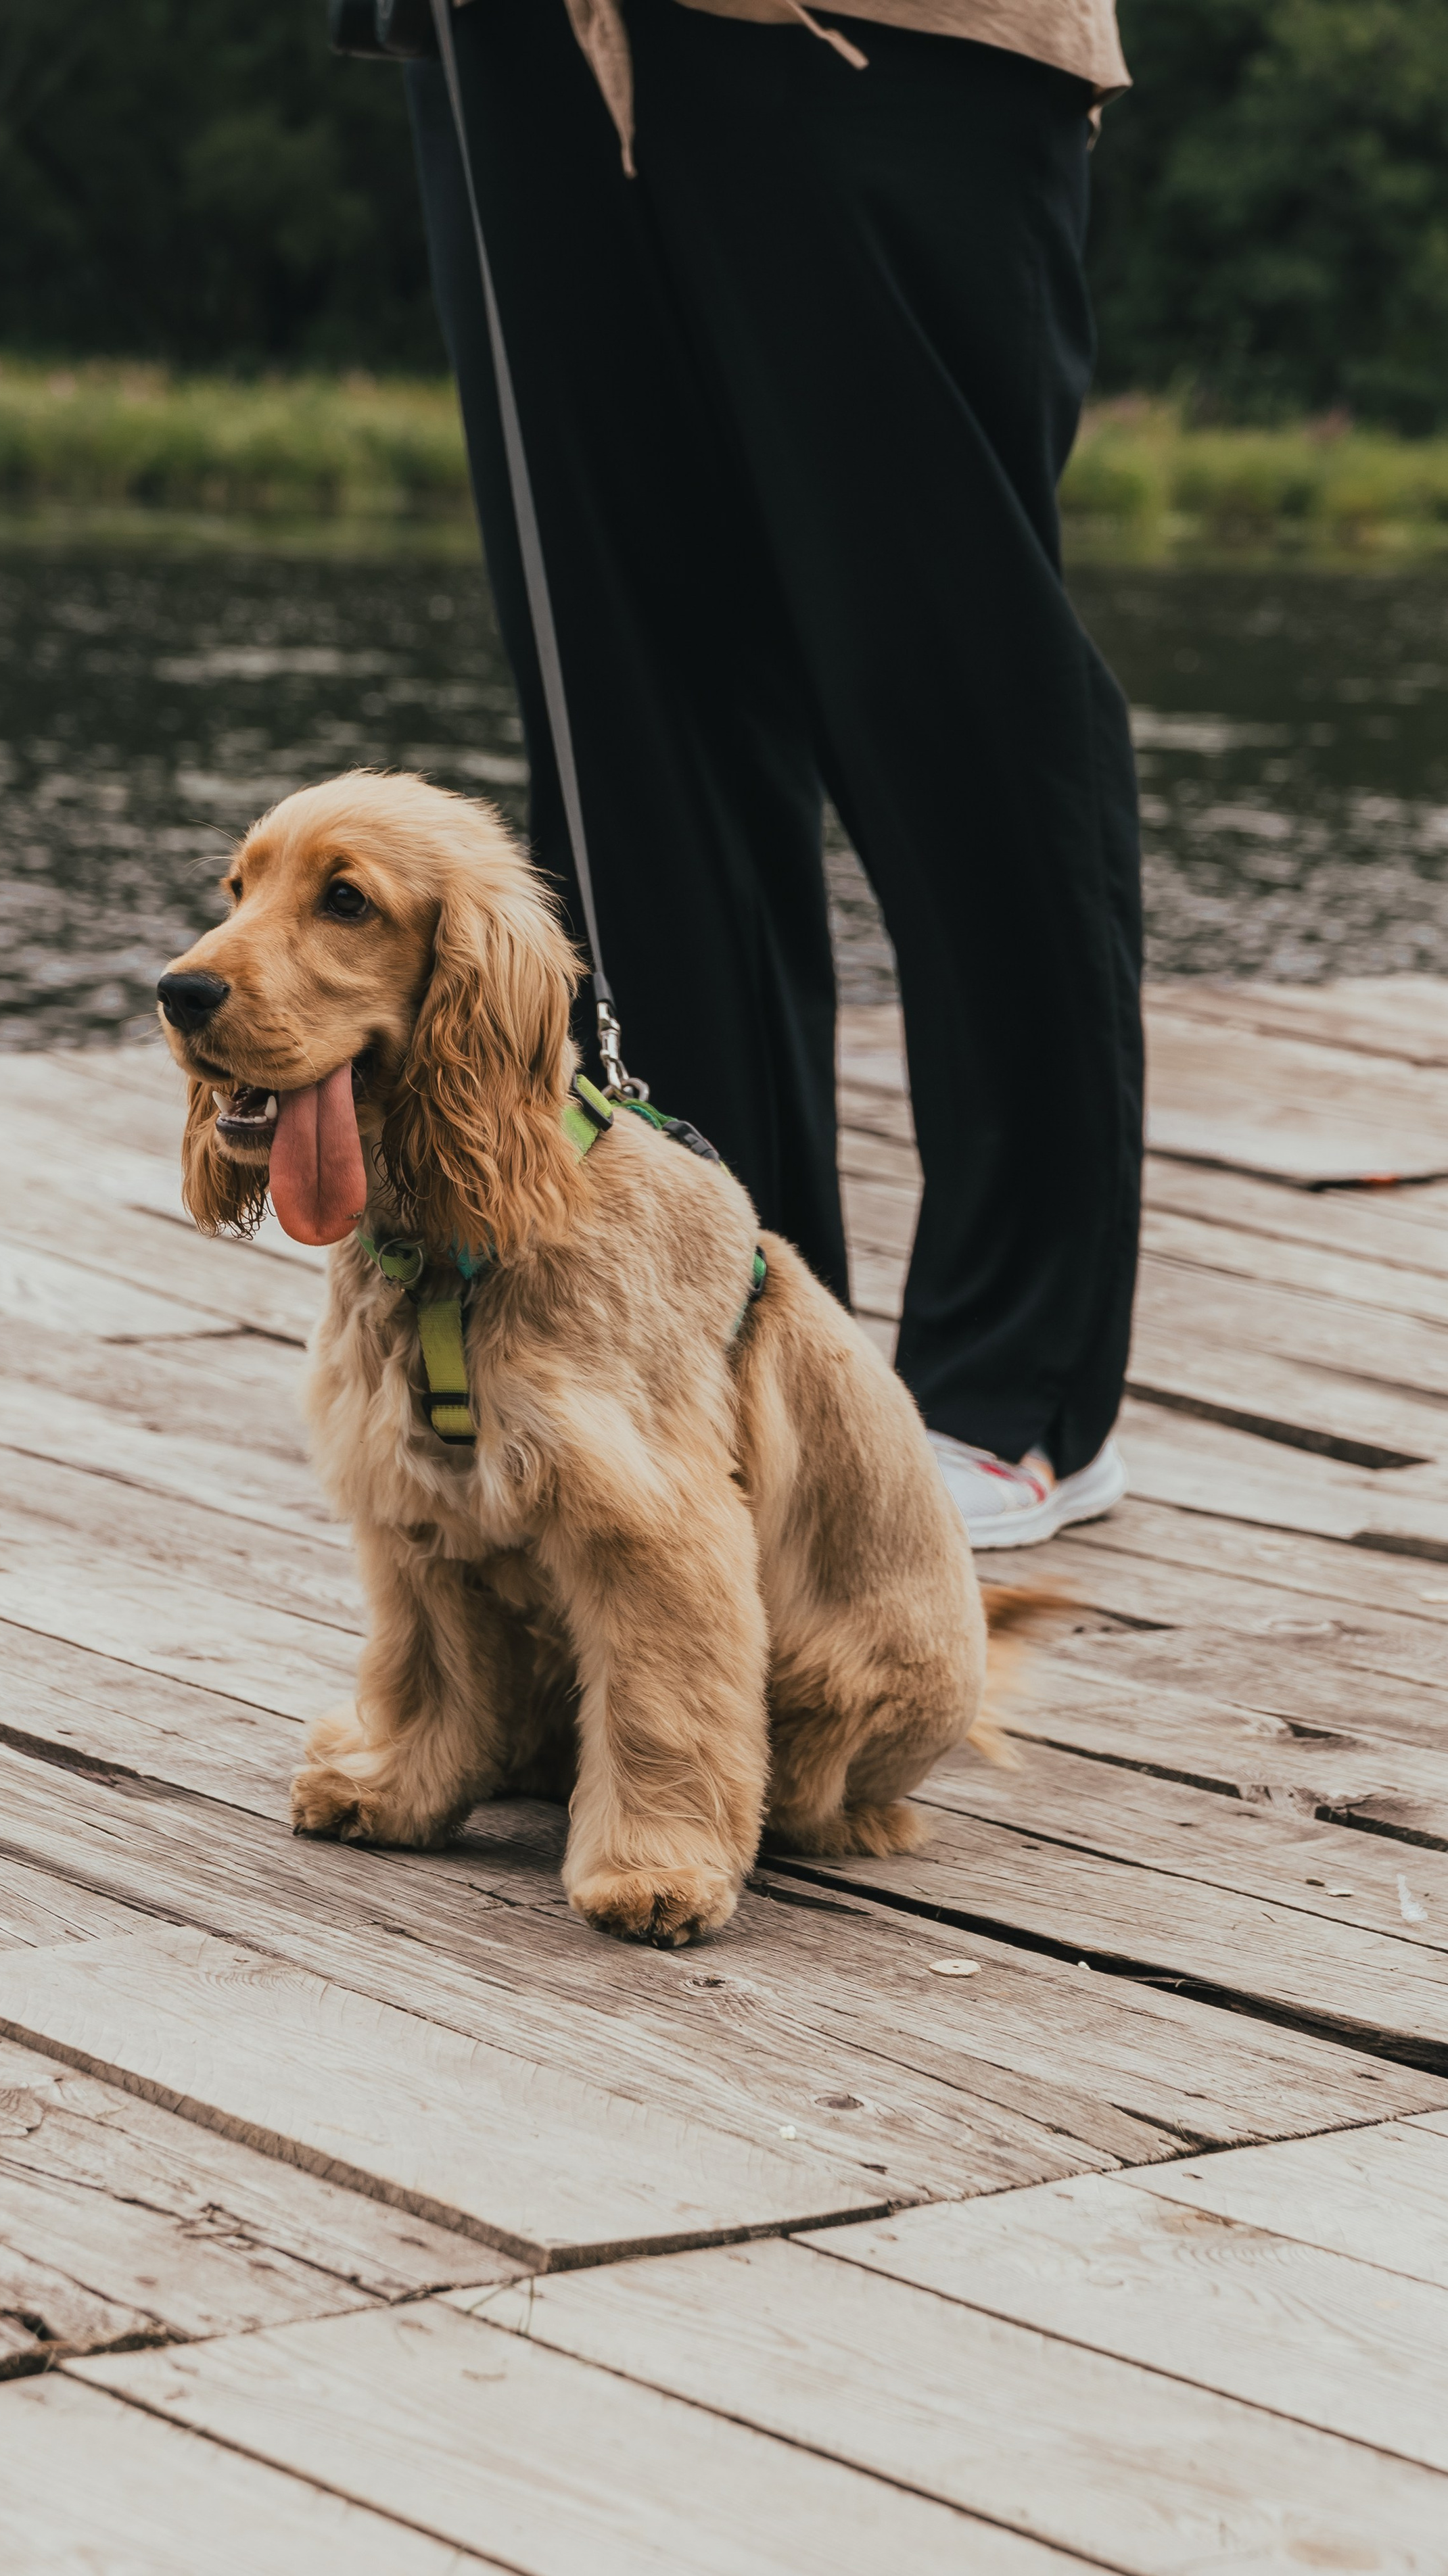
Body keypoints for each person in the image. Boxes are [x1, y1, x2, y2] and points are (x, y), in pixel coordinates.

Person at [404, 0, 1143, 1550]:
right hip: (517, 36)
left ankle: (1014, 1392)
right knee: (630, 736)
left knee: (948, 687)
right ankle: (727, 1368)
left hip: (880, 37)